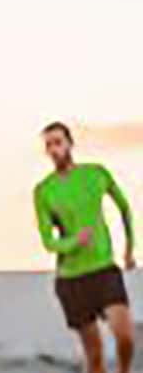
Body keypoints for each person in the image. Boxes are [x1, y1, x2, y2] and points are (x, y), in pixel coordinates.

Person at [34, 121, 135, 373]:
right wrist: (74, 241)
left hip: (104, 269)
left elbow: (124, 208)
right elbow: (48, 241)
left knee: (125, 337)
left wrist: (129, 250)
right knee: (95, 357)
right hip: (71, 279)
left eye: (58, 142)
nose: (54, 149)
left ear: (70, 144)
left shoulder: (96, 174)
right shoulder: (44, 191)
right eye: (49, 145)